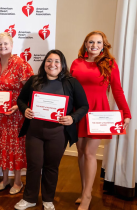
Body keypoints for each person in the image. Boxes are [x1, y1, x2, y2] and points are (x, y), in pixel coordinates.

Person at [14, 50, 89, 210]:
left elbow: (84, 106)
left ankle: (48, 199)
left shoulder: (71, 83)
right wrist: (25, 109)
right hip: (34, 132)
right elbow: (20, 99)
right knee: (34, 165)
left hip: (58, 133)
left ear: (62, 65)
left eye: (56, 61)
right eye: (49, 60)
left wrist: (72, 118)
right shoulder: (34, 80)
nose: (52, 64)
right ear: (44, 63)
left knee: (51, 166)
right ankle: (29, 198)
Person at [70, 31, 131, 210]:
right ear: (86, 44)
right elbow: (69, 88)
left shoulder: (110, 64)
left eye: (98, 42)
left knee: (90, 153)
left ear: (103, 45)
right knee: (81, 152)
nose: (94, 45)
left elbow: (118, 91)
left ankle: (88, 195)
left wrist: (126, 113)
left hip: (98, 112)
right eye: (91, 42)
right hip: (79, 111)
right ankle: (83, 191)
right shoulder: (76, 62)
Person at [0, 32, 34, 194]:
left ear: (12, 45)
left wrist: (17, 105)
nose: (2, 47)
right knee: (2, 146)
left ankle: (18, 181)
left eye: (5, 44)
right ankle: (5, 179)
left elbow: (31, 90)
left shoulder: (21, 64)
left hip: (15, 114)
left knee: (15, 147)